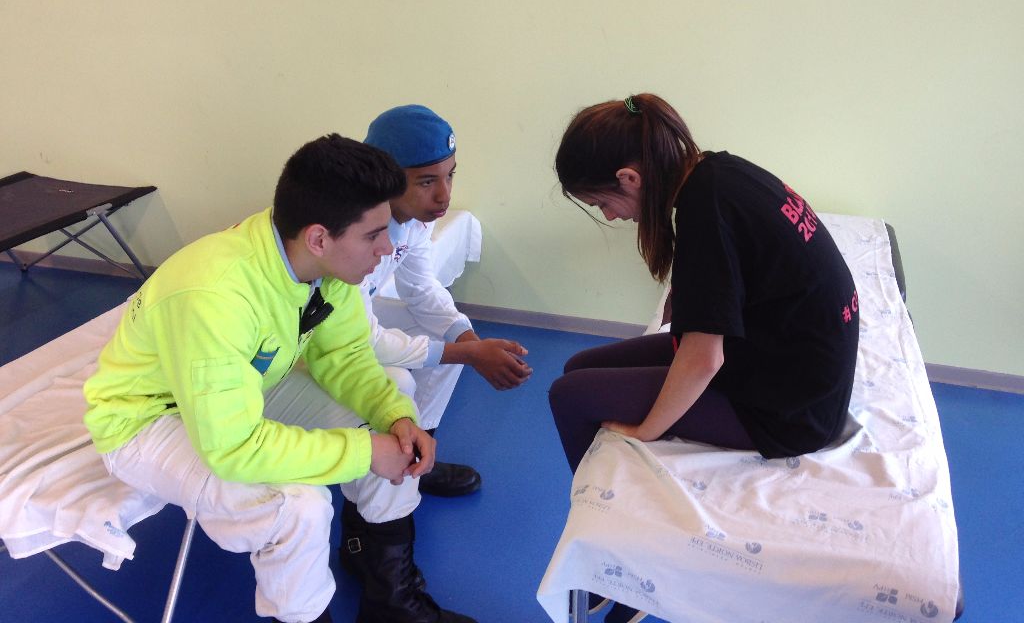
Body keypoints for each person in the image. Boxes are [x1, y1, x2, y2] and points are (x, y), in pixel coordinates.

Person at [83, 134, 477, 623]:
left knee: (395, 397)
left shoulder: (323, 264)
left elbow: (345, 355)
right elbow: (234, 447)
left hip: (242, 390)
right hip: (148, 420)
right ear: (319, 237)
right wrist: (364, 451)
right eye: (374, 235)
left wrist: (395, 418)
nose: (387, 247)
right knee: (298, 508)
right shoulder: (216, 296)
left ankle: (390, 599)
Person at [548, 93, 860, 623]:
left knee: (569, 396)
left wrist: (646, 431)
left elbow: (703, 359)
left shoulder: (702, 208)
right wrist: (696, 291)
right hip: (774, 357)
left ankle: (616, 552)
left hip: (790, 408)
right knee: (579, 368)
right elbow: (742, 265)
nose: (611, 215)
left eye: (603, 203)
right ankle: (616, 533)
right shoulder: (715, 172)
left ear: (629, 178)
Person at [354, 104, 531, 502]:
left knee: (452, 333)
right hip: (312, 341)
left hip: (354, 320)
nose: (444, 195)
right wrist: (468, 354)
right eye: (426, 181)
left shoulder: (414, 216)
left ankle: (420, 452)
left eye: (450, 175)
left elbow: (420, 288)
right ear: (383, 176)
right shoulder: (353, 228)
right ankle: (378, 493)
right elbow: (361, 339)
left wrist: (469, 343)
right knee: (402, 378)